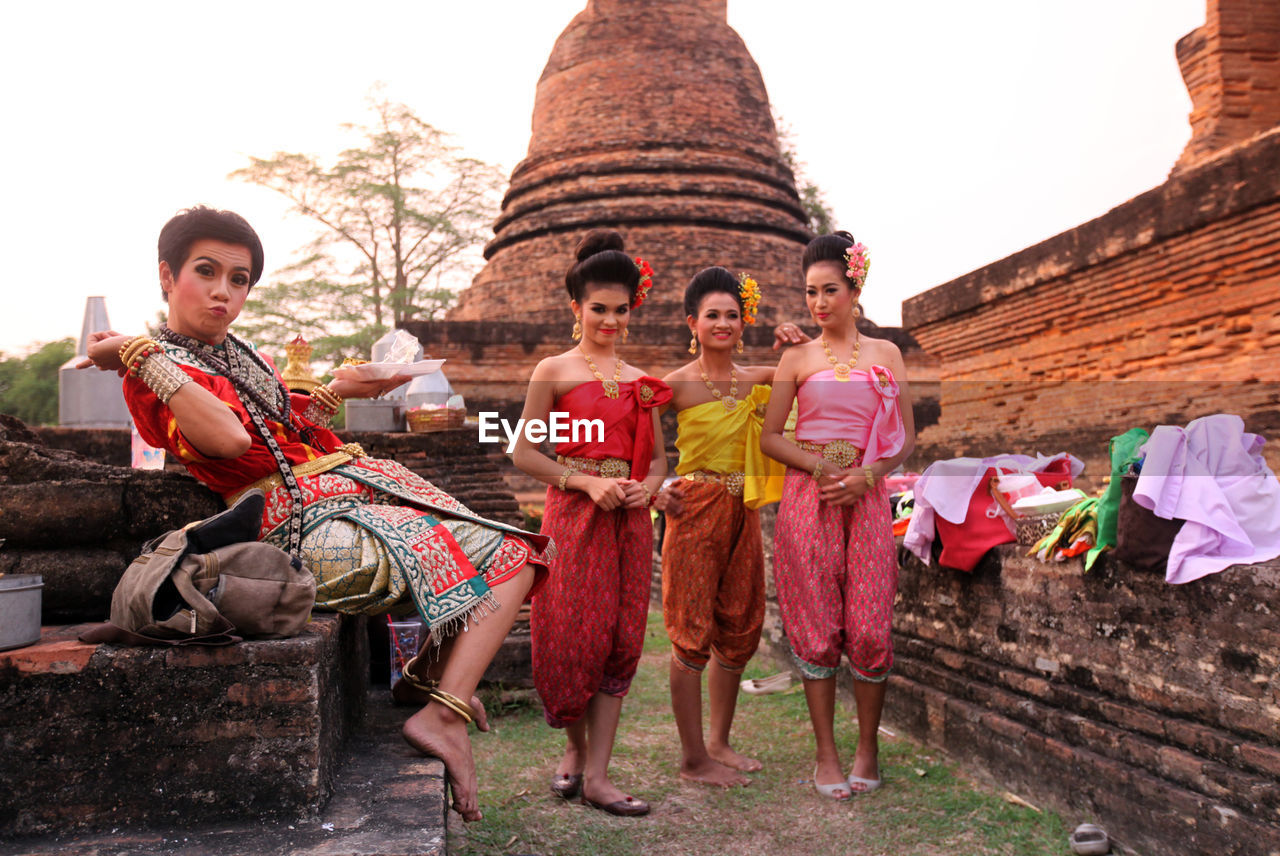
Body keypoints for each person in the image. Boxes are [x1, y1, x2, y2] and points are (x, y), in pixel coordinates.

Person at [77, 205, 550, 823]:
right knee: (514, 555)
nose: (224, 292)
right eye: (207, 272)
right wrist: (142, 354)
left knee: (505, 541)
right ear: (167, 277)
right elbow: (230, 441)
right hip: (297, 525)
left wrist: (342, 388)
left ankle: (425, 677)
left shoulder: (240, 355)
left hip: (345, 493)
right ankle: (443, 715)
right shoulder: (155, 373)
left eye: (239, 279)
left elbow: (285, 425)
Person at [511, 230, 671, 817]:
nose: (610, 319)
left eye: (620, 309)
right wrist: (584, 481)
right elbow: (524, 454)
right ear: (575, 307)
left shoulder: (643, 384)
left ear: (634, 309)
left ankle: (600, 776)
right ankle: (575, 750)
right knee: (569, 637)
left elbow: (657, 460)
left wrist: (646, 489)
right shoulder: (552, 370)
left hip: (627, 525)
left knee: (618, 641)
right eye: (598, 308)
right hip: (574, 517)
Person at [759, 231, 915, 800]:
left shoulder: (885, 355)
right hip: (811, 499)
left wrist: (867, 477)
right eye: (810, 293)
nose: (819, 303)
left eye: (830, 290)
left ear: (854, 289)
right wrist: (821, 466)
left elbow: (904, 438)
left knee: (871, 628)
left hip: (868, 499)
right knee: (818, 631)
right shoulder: (796, 358)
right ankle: (826, 753)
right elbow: (772, 438)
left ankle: (867, 746)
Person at [654, 266, 788, 788]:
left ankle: (719, 742)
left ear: (743, 322)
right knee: (691, 632)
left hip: (744, 509)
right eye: (712, 315)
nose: (723, 323)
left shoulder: (758, 377)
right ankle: (692, 759)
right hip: (694, 510)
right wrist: (654, 492)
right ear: (693, 322)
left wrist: (793, 345)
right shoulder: (673, 387)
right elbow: (645, 453)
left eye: (733, 315)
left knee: (739, 626)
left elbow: (813, 377)